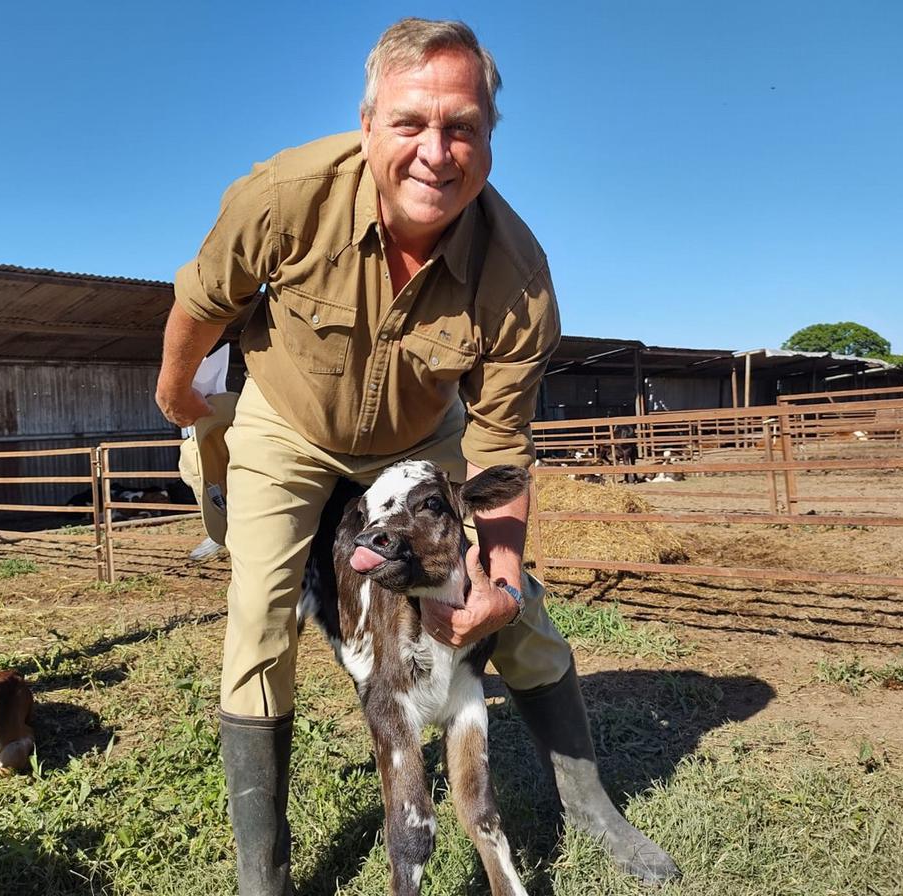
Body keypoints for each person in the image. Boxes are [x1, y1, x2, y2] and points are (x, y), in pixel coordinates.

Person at [155, 17, 680, 893]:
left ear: (488, 137)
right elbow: (200, 304)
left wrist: (500, 580)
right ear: (368, 125)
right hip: (288, 424)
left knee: (519, 616)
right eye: (411, 123)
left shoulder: (519, 276)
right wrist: (181, 402)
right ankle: (264, 872)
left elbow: (500, 442)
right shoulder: (283, 198)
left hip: (417, 443)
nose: (437, 151)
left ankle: (589, 805)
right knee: (261, 614)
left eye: (462, 127)